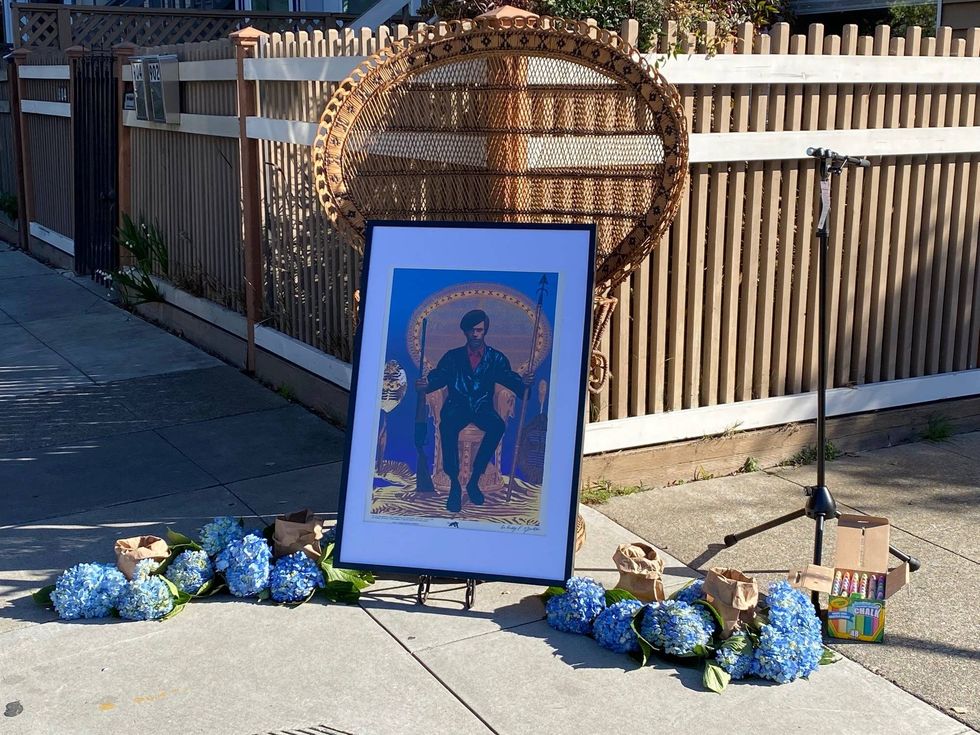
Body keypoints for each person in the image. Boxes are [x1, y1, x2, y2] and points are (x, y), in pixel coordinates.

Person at [416, 309, 533, 513]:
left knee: (497, 425)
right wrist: (426, 384)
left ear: (485, 331)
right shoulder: (452, 357)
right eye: (472, 330)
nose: (476, 334)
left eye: (480, 330)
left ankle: (474, 479)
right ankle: (454, 484)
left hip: (481, 408)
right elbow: (439, 377)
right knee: (447, 426)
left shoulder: (495, 358)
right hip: (457, 407)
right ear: (466, 332)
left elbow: (508, 377)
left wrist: (523, 384)